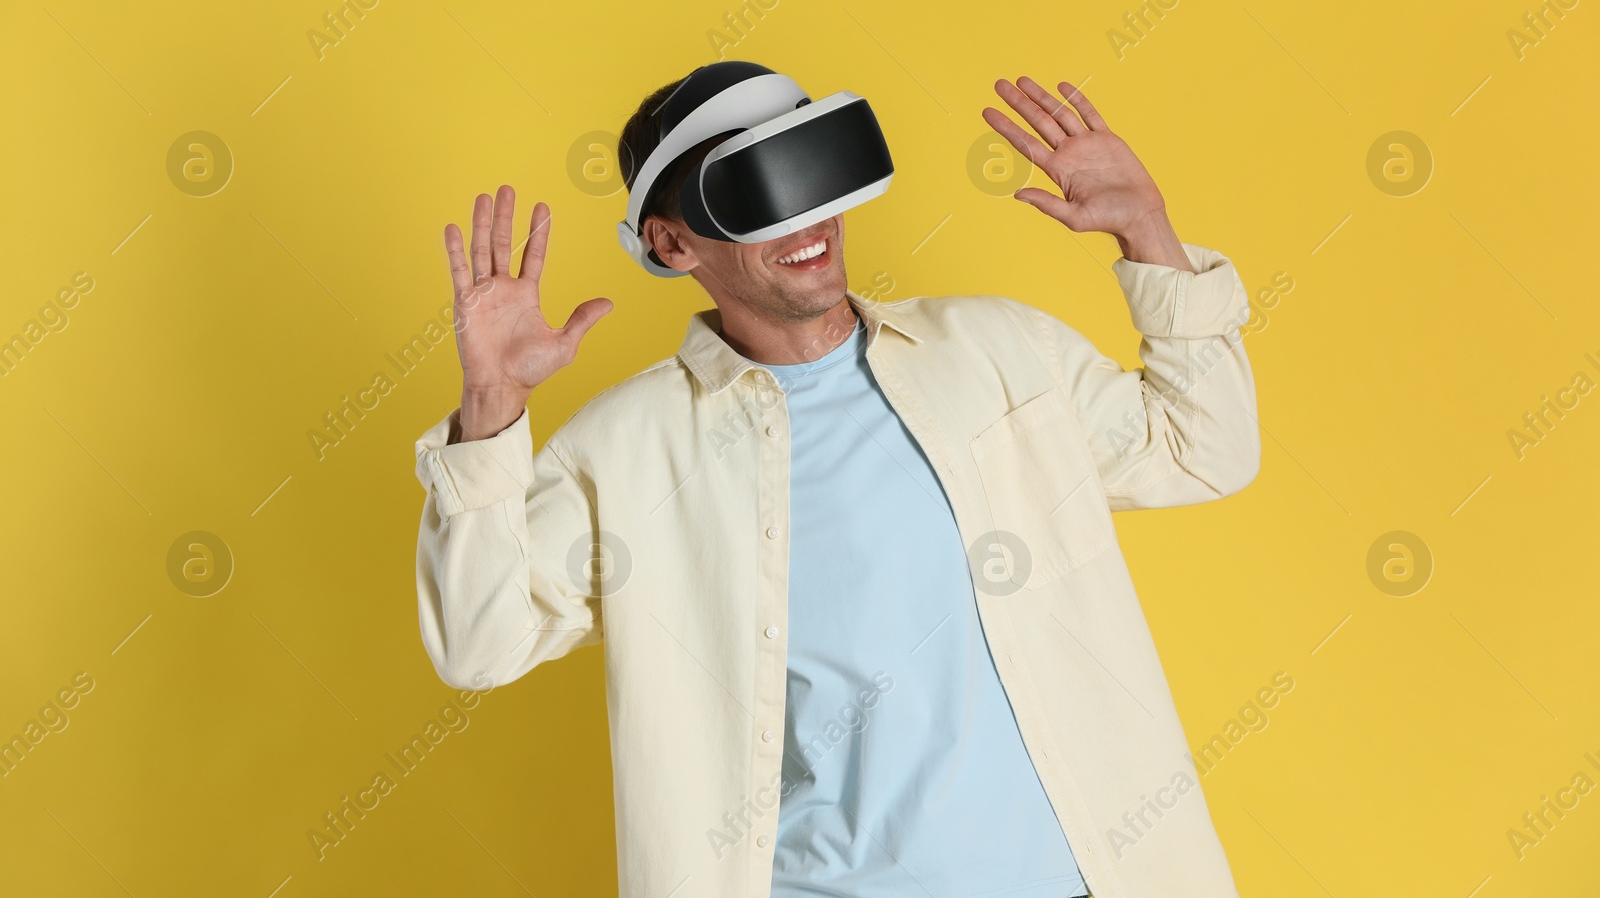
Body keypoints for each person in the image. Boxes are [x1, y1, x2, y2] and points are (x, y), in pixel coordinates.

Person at [413, 69, 1260, 898]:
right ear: (672, 243)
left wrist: (1148, 232)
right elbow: (478, 646)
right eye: (752, 193)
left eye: (809, 172)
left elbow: (1205, 449)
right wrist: (492, 402)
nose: (804, 218)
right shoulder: (626, 451)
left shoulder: (999, 350)